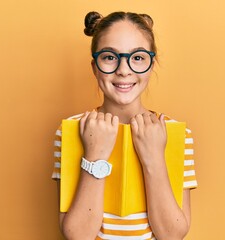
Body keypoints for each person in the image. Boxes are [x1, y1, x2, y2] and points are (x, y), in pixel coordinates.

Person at [52, 11, 198, 240]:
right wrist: (95, 155)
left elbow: (172, 235)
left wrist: (153, 157)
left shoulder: (174, 133)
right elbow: (78, 236)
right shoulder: (72, 130)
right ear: (94, 66)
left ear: (151, 65)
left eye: (138, 57)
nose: (124, 69)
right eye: (110, 57)